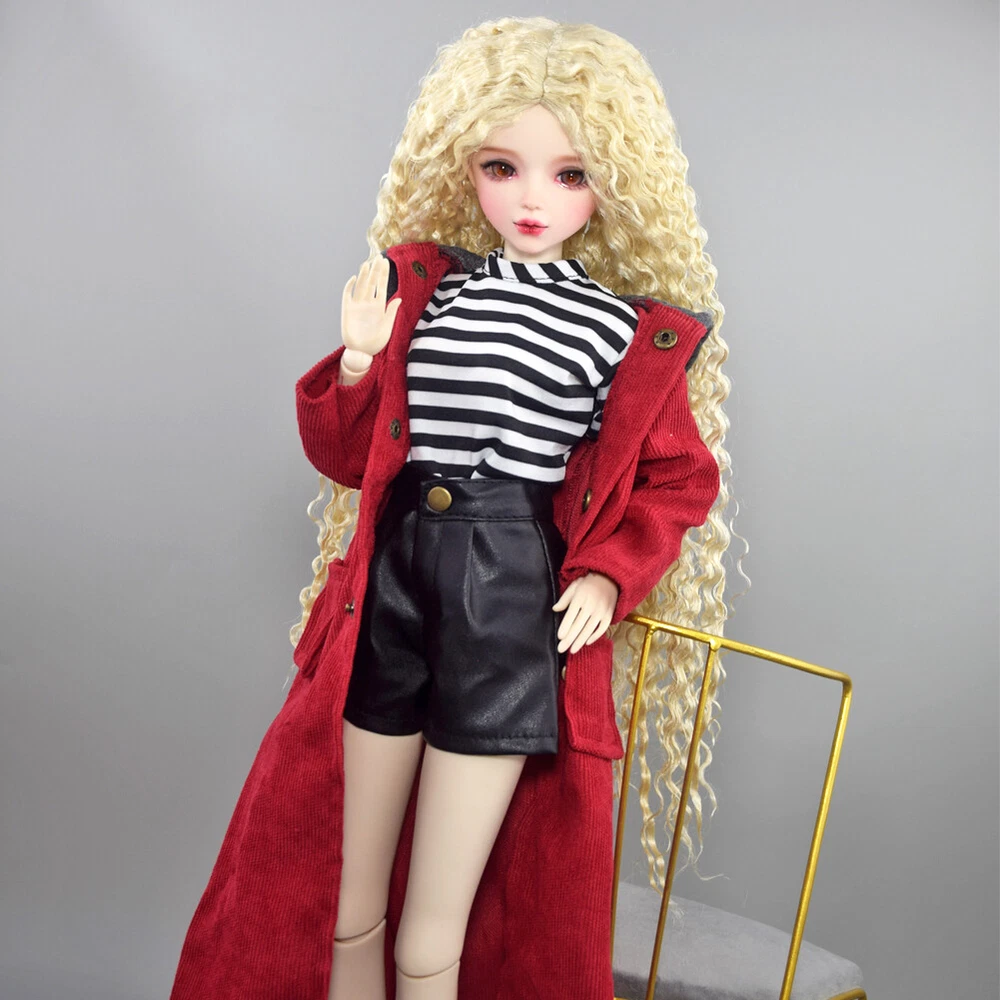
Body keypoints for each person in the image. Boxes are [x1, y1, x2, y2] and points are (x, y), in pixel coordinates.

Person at [170, 16, 736, 1000]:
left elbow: (678, 477)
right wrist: (357, 361)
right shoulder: (429, 291)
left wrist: (609, 575)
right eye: (501, 167)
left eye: (569, 174)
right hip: (392, 578)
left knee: (434, 928)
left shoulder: (619, 329)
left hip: (508, 592)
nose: (531, 198)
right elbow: (349, 457)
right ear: (463, 165)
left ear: (615, 184)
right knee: (349, 898)